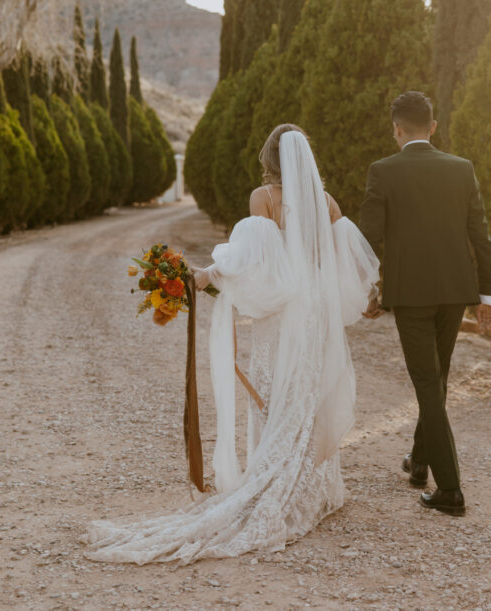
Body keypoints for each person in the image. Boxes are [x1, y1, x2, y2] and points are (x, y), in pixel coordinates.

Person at [85, 125, 379, 564]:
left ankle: (275, 481)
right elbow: (348, 263)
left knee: (277, 394)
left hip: (285, 316)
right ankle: (313, 486)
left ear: (269, 160)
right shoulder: (327, 203)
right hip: (317, 311)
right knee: (306, 393)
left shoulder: (264, 200)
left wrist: (206, 276)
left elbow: (251, 263)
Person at [359, 91, 491, 516]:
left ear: (397, 129)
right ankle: (419, 462)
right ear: (433, 127)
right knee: (435, 380)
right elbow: (481, 236)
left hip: (411, 296)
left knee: (427, 384)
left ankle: (451, 490)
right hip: (455, 293)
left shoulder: (382, 171)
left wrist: (368, 290)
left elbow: (369, 239)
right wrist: (488, 296)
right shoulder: (462, 169)